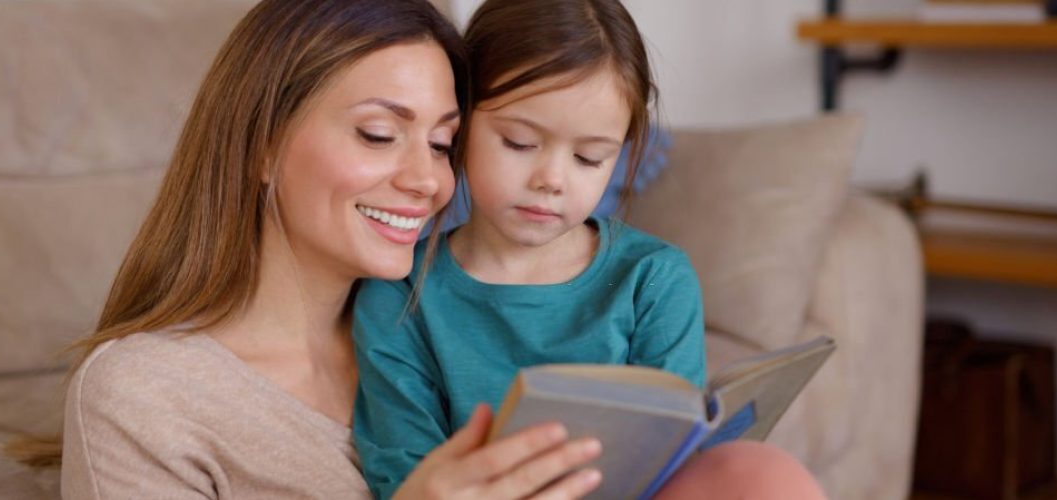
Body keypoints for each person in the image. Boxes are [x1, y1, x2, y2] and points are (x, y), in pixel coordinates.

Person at [12, 1, 605, 498]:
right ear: (262, 144)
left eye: (442, 143)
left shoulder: (446, 336)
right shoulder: (145, 396)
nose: (428, 179)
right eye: (378, 134)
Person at [352, 0, 828, 499]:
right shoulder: (402, 292)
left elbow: (678, 458)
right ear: (461, 121)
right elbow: (406, 476)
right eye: (518, 142)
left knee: (762, 471)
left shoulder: (651, 278)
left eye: (588, 157)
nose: (552, 180)